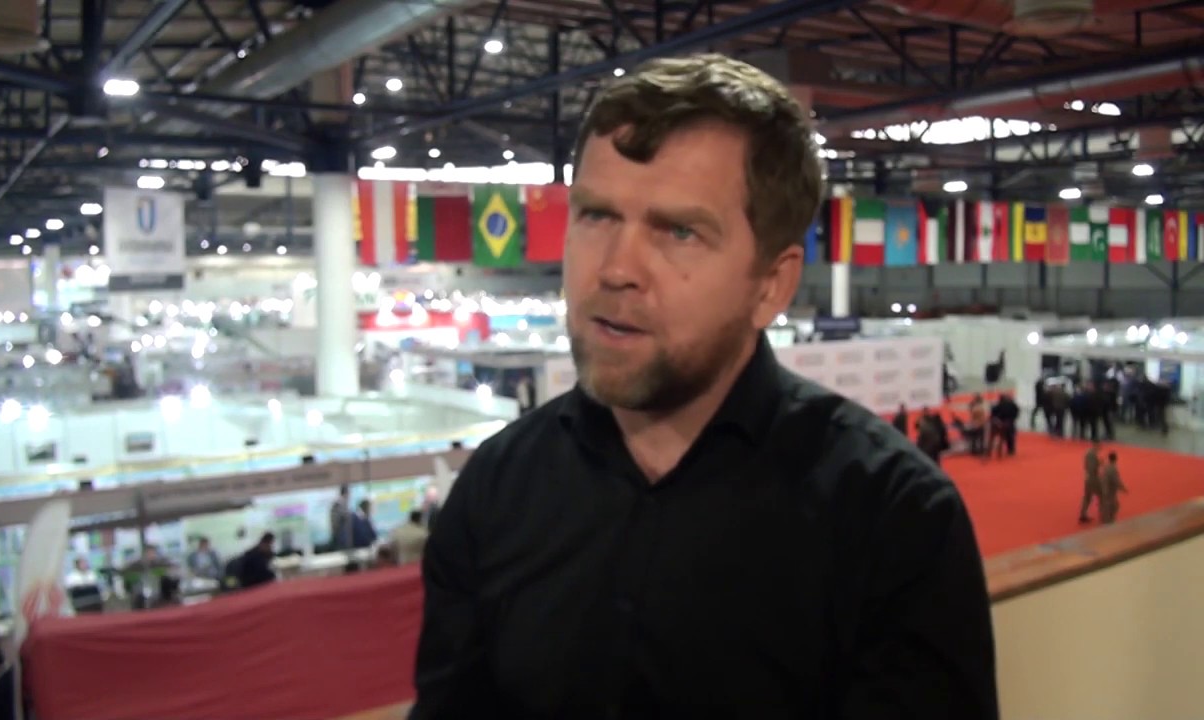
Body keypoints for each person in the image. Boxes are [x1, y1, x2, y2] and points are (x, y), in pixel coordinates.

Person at [412, 53, 997, 719]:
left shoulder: (893, 522)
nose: (616, 268)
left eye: (679, 231)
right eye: (597, 215)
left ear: (770, 284)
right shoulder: (494, 492)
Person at [1099, 452, 1129, 524]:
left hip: (1103, 488)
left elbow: (1102, 469)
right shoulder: (1113, 469)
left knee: (1106, 504)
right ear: (1116, 459)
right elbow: (1116, 481)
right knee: (1113, 506)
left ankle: (1105, 518)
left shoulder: (1106, 466)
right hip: (1109, 490)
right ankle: (1108, 520)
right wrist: (1123, 489)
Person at [1079, 439, 1102, 523]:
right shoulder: (1092, 454)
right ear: (1096, 444)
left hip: (1088, 477)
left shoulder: (1089, 453)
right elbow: (1092, 467)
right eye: (1099, 445)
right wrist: (1099, 463)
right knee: (1102, 495)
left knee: (1087, 497)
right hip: (1093, 478)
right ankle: (1103, 514)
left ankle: (1083, 514)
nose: (1100, 447)